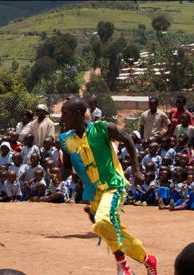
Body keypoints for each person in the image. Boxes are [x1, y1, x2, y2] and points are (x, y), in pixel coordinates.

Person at [58, 97, 157, 275]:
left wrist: (136, 170)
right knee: (109, 229)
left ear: (79, 114)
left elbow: (128, 139)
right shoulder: (65, 139)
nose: (61, 117)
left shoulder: (103, 128)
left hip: (113, 185)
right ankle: (147, 259)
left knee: (103, 221)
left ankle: (123, 268)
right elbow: (66, 166)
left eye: (65, 113)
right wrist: (61, 175)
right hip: (94, 191)